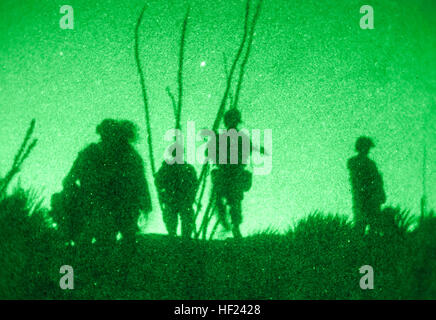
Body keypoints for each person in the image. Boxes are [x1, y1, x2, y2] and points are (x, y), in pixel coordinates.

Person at [62, 119, 152, 252]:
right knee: (115, 242)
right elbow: (69, 180)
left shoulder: (127, 155)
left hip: (115, 206)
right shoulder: (94, 153)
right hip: (108, 206)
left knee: (119, 242)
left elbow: (140, 181)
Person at [207, 108, 266, 238]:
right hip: (227, 173)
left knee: (233, 202)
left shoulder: (238, 137)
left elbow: (250, 147)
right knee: (223, 200)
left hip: (234, 173)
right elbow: (209, 152)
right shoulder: (223, 137)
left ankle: (234, 226)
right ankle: (228, 223)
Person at [155, 148, 198, 238]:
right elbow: (158, 182)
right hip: (173, 199)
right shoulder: (167, 168)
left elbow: (194, 183)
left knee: (184, 219)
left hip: (180, 199)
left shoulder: (186, 168)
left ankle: (183, 238)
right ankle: (176, 237)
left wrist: (191, 195)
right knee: (173, 220)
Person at [347, 136, 386, 235]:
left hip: (371, 198)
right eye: (366, 146)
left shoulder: (370, 164)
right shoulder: (355, 162)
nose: (368, 149)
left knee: (373, 227)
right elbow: (359, 181)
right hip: (363, 198)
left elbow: (377, 181)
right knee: (361, 225)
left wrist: (380, 193)